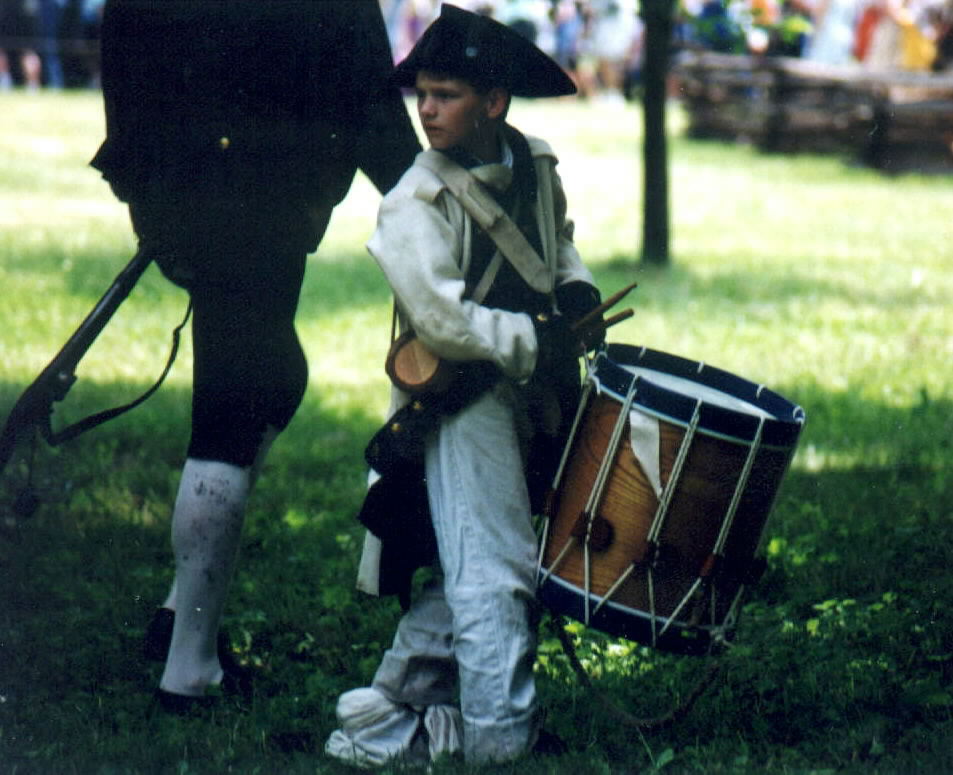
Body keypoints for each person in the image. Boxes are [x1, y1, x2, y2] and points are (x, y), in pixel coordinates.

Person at [90, 0, 421, 712]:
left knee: (277, 378)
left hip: (180, 192)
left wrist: (146, 189)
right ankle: (189, 669)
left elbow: (120, 41)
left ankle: (182, 610)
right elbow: (370, 105)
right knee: (230, 417)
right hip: (261, 202)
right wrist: (436, 196)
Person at [324, 4, 603, 767]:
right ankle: (500, 741)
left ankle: (391, 714)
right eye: (423, 92)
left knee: (469, 563)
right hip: (463, 398)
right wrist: (534, 340)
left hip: (532, 391)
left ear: (494, 103)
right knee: (492, 565)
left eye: (445, 94)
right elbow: (443, 323)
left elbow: (556, 244)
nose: (426, 108)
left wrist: (575, 290)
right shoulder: (413, 201)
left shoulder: (534, 164)